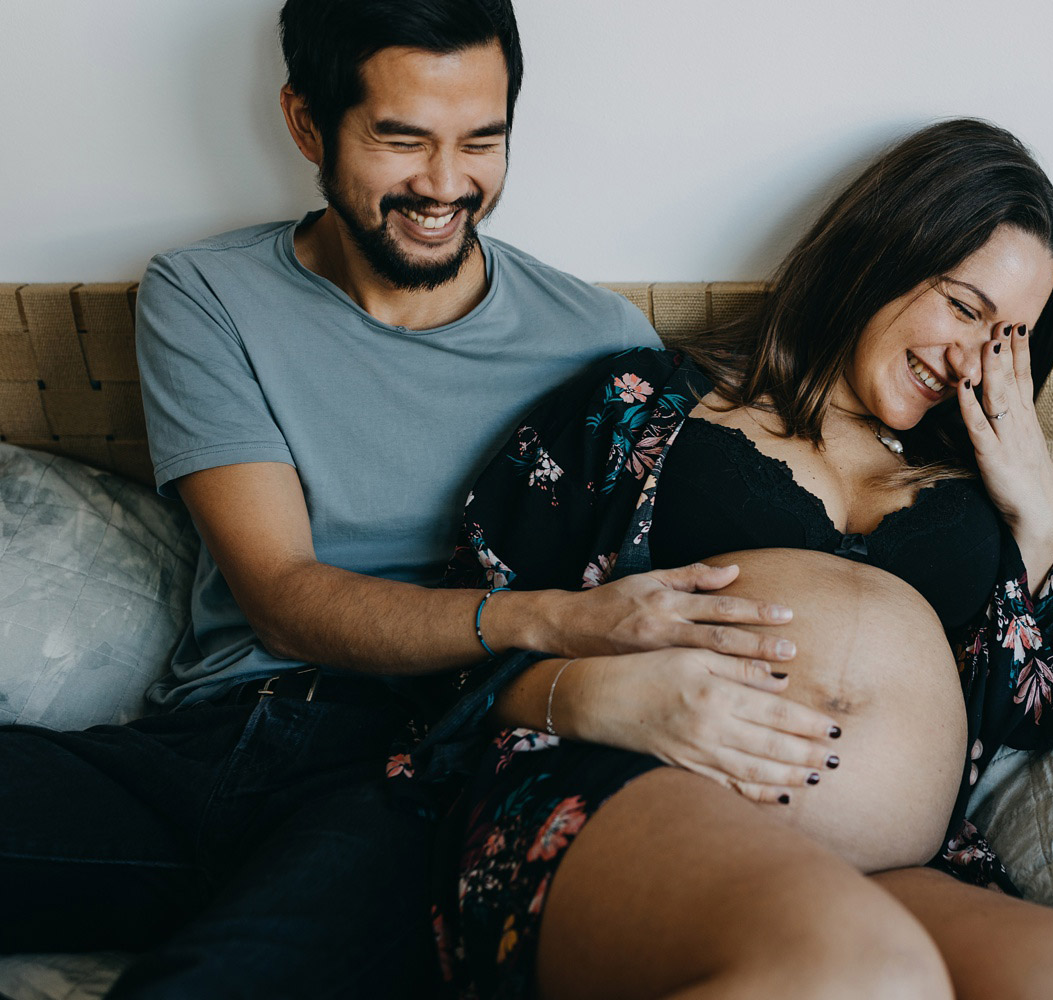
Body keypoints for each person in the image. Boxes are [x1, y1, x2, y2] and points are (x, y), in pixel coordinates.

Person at [0, 1, 808, 996]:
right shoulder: (206, 294)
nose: (444, 184)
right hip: (204, 741)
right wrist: (548, 617)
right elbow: (283, 592)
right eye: (401, 139)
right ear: (308, 125)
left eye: (481, 141)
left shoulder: (601, 344)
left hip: (409, 769)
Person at [408, 120, 1053, 999]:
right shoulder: (642, 403)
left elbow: (1035, 712)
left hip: (901, 869)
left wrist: (1040, 524)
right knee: (861, 978)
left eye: (1004, 340)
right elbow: (459, 636)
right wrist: (590, 694)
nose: (965, 361)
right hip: (637, 794)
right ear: (883, 252)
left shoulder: (989, 491)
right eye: (963, 306)